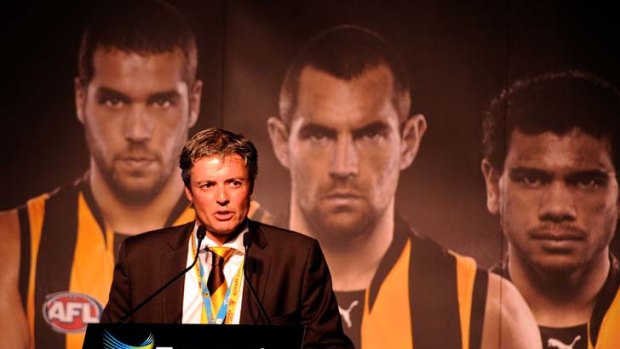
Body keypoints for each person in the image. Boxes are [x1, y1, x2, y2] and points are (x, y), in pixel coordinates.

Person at [0, 1, 271, 348]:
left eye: (161, 102)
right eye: (115, 101)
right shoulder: (16, 241)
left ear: (195, 100)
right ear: (81, 98)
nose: (138, 130)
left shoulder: (266, 241)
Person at [267, 24, 540, 349]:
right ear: (281, 142)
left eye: (370, 135)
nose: (343, 166)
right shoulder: (212, 294)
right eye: (320, 135)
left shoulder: (491, 314)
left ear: (409, 141)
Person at [101, 127, 353, 348]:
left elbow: (329, 345)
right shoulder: (140, 258)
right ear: (189, 192)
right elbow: (110, 344)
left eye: (234, 183)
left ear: (250, 186)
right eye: (207, 185)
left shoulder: (297, 258)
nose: (222, 198)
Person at [481, 71, 620, 349]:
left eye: (586, 181)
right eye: (532, 179)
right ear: (493, 187)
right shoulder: (443, 323)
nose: (557, 208)